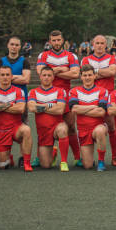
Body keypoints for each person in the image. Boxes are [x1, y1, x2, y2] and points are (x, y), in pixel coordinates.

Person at [36, 30, 81, 166]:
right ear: (50, 42)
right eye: (53, 40)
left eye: (58, 40)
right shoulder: (43, 55)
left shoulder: (70, 56)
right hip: (46, 96)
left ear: (63, 41)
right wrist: (61, 69)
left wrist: (52, 72)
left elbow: (75, 74)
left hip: (65, 95)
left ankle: (78, 157)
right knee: (43, 127)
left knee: (71, 127)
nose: (56, 43)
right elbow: (41, 73)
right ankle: (41, 156)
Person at [81, 35, 116, 166]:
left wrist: (94, 72)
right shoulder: (86, 59)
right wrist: (103, 72)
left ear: (106, 45)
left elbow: (112, 72)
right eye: (97, 43)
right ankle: (86, 155)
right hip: (89, 97)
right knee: (88, 123)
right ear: (92, 44)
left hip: (107, 96)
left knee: (112, 126)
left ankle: (115, 156)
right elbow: (86, 75)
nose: (99, 45)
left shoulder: (112, 58)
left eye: (102, 43)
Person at [0, 66, 33, 171]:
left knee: (26, 130)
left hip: (16, 128)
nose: (5, 77)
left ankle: (26, 163)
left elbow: (21, 108)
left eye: (7, 75)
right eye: (2, 75)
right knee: (3, 165)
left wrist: (1, 106)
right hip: (1, 130)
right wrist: (12, 104)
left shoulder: (19, 91)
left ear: (11, 76)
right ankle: (9, 158)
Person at [27, 66, 71, 171]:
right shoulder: (33, 92)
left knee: (63, 129)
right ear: (40, 77)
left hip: (56, 127)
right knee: (46, 165)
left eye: (49, 75)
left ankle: (64, 162)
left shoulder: (60, 91)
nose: (46, 77)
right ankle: (53, 152)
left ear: (53, 77)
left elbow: (60, 110)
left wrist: (41, 106)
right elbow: (32, 107)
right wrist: (51, 105)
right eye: (44, 75)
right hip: (43, 132)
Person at [68, 65, 109, 171]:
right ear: (81, 77)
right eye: (85, 75)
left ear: (95, 76)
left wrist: (82, 109)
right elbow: (74, 109)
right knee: (88, 166)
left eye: (90, 75)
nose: (87, 77)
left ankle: (101, 161)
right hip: (83, 130)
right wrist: (92, 106)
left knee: (100, 131)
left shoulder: (103, 91)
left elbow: (101, 112)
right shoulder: (74, 91)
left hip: (97, 126)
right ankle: (90, 160)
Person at [0, 36, 31, 126]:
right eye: (12, 44)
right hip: (4, 99)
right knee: (4, 128)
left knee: (24, 129)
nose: (14, 47)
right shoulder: (1, 61)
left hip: (21, 100)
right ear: (8, 45)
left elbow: (26, 80)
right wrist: (18, 77)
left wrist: (7, 77)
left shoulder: (24, 62)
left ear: (20, 47)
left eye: (16, 45)